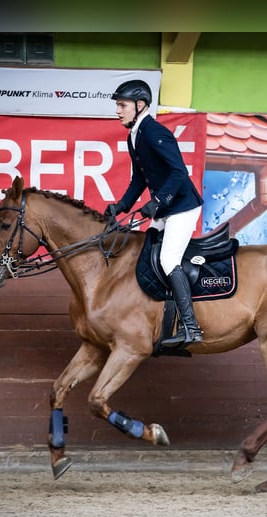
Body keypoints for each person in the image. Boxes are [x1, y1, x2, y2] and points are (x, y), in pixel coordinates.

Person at [105, 79, 204, 346]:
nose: (118, 110)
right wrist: (122, 205)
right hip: (164, 208)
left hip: (182, 207)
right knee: (147, 253)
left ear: (140, 105)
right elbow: (139, 178)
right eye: (117, 105)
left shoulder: (154, 132)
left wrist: (157, 201)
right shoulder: (134, 135)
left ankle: (191, 327)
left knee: (168, 259)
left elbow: (179, 173)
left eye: (122, 105)